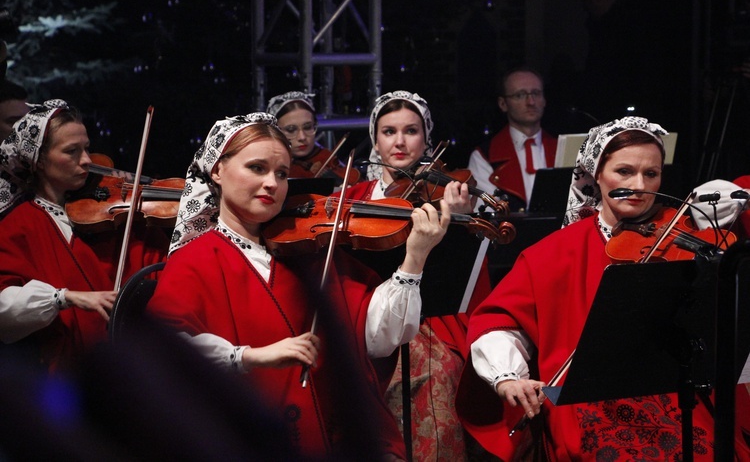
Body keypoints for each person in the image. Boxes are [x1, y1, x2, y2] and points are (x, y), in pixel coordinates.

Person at [146, 112, 451, 460]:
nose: (272, 184)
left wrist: (415, 258)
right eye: (257, 168)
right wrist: (251, 356)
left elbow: (378, 338)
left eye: (281, 173)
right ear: (217, 170)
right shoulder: (195, 258)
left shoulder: (309, 255)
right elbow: (166, 352)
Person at [456, 117, 750, 460]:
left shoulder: (685, 235)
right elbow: (499, 322)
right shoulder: (553, 252)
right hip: (586, 403)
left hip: (676, 396)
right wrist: (507, 377)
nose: (640, 186)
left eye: (651, 174)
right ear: (595, 173)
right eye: (624, 172)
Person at [344, 91, 494, 460]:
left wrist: (458, 221)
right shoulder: (353, 196)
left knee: (437, 372)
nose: (399, 141)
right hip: (362, 316)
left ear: (426, 138)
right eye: (388, 131)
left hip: (431, 323)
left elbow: (466, 276)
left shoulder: (446, 193)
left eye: (410, 131)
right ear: (375, 139)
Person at [0, 100, 168, 374]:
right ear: (39, 160)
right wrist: (64, 298)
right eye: (71, 151)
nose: (87, 161)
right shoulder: (17, 226)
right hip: (67, 378)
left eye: (87, 148)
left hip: (142, 368)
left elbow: (163, 273)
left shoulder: (121, 221)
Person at [467, 66, 557, 212]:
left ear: (544, 100)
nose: (531, 102)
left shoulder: (561, 147)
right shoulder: (484, 156)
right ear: (503, 104)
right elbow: (486, 219)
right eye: (520, 95)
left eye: (536, 93)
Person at [266, 90, 357, 186]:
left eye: (307, 127)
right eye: (291, 130)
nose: (302, 137)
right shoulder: (268, 165)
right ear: (275, 131)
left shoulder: (326, 158)